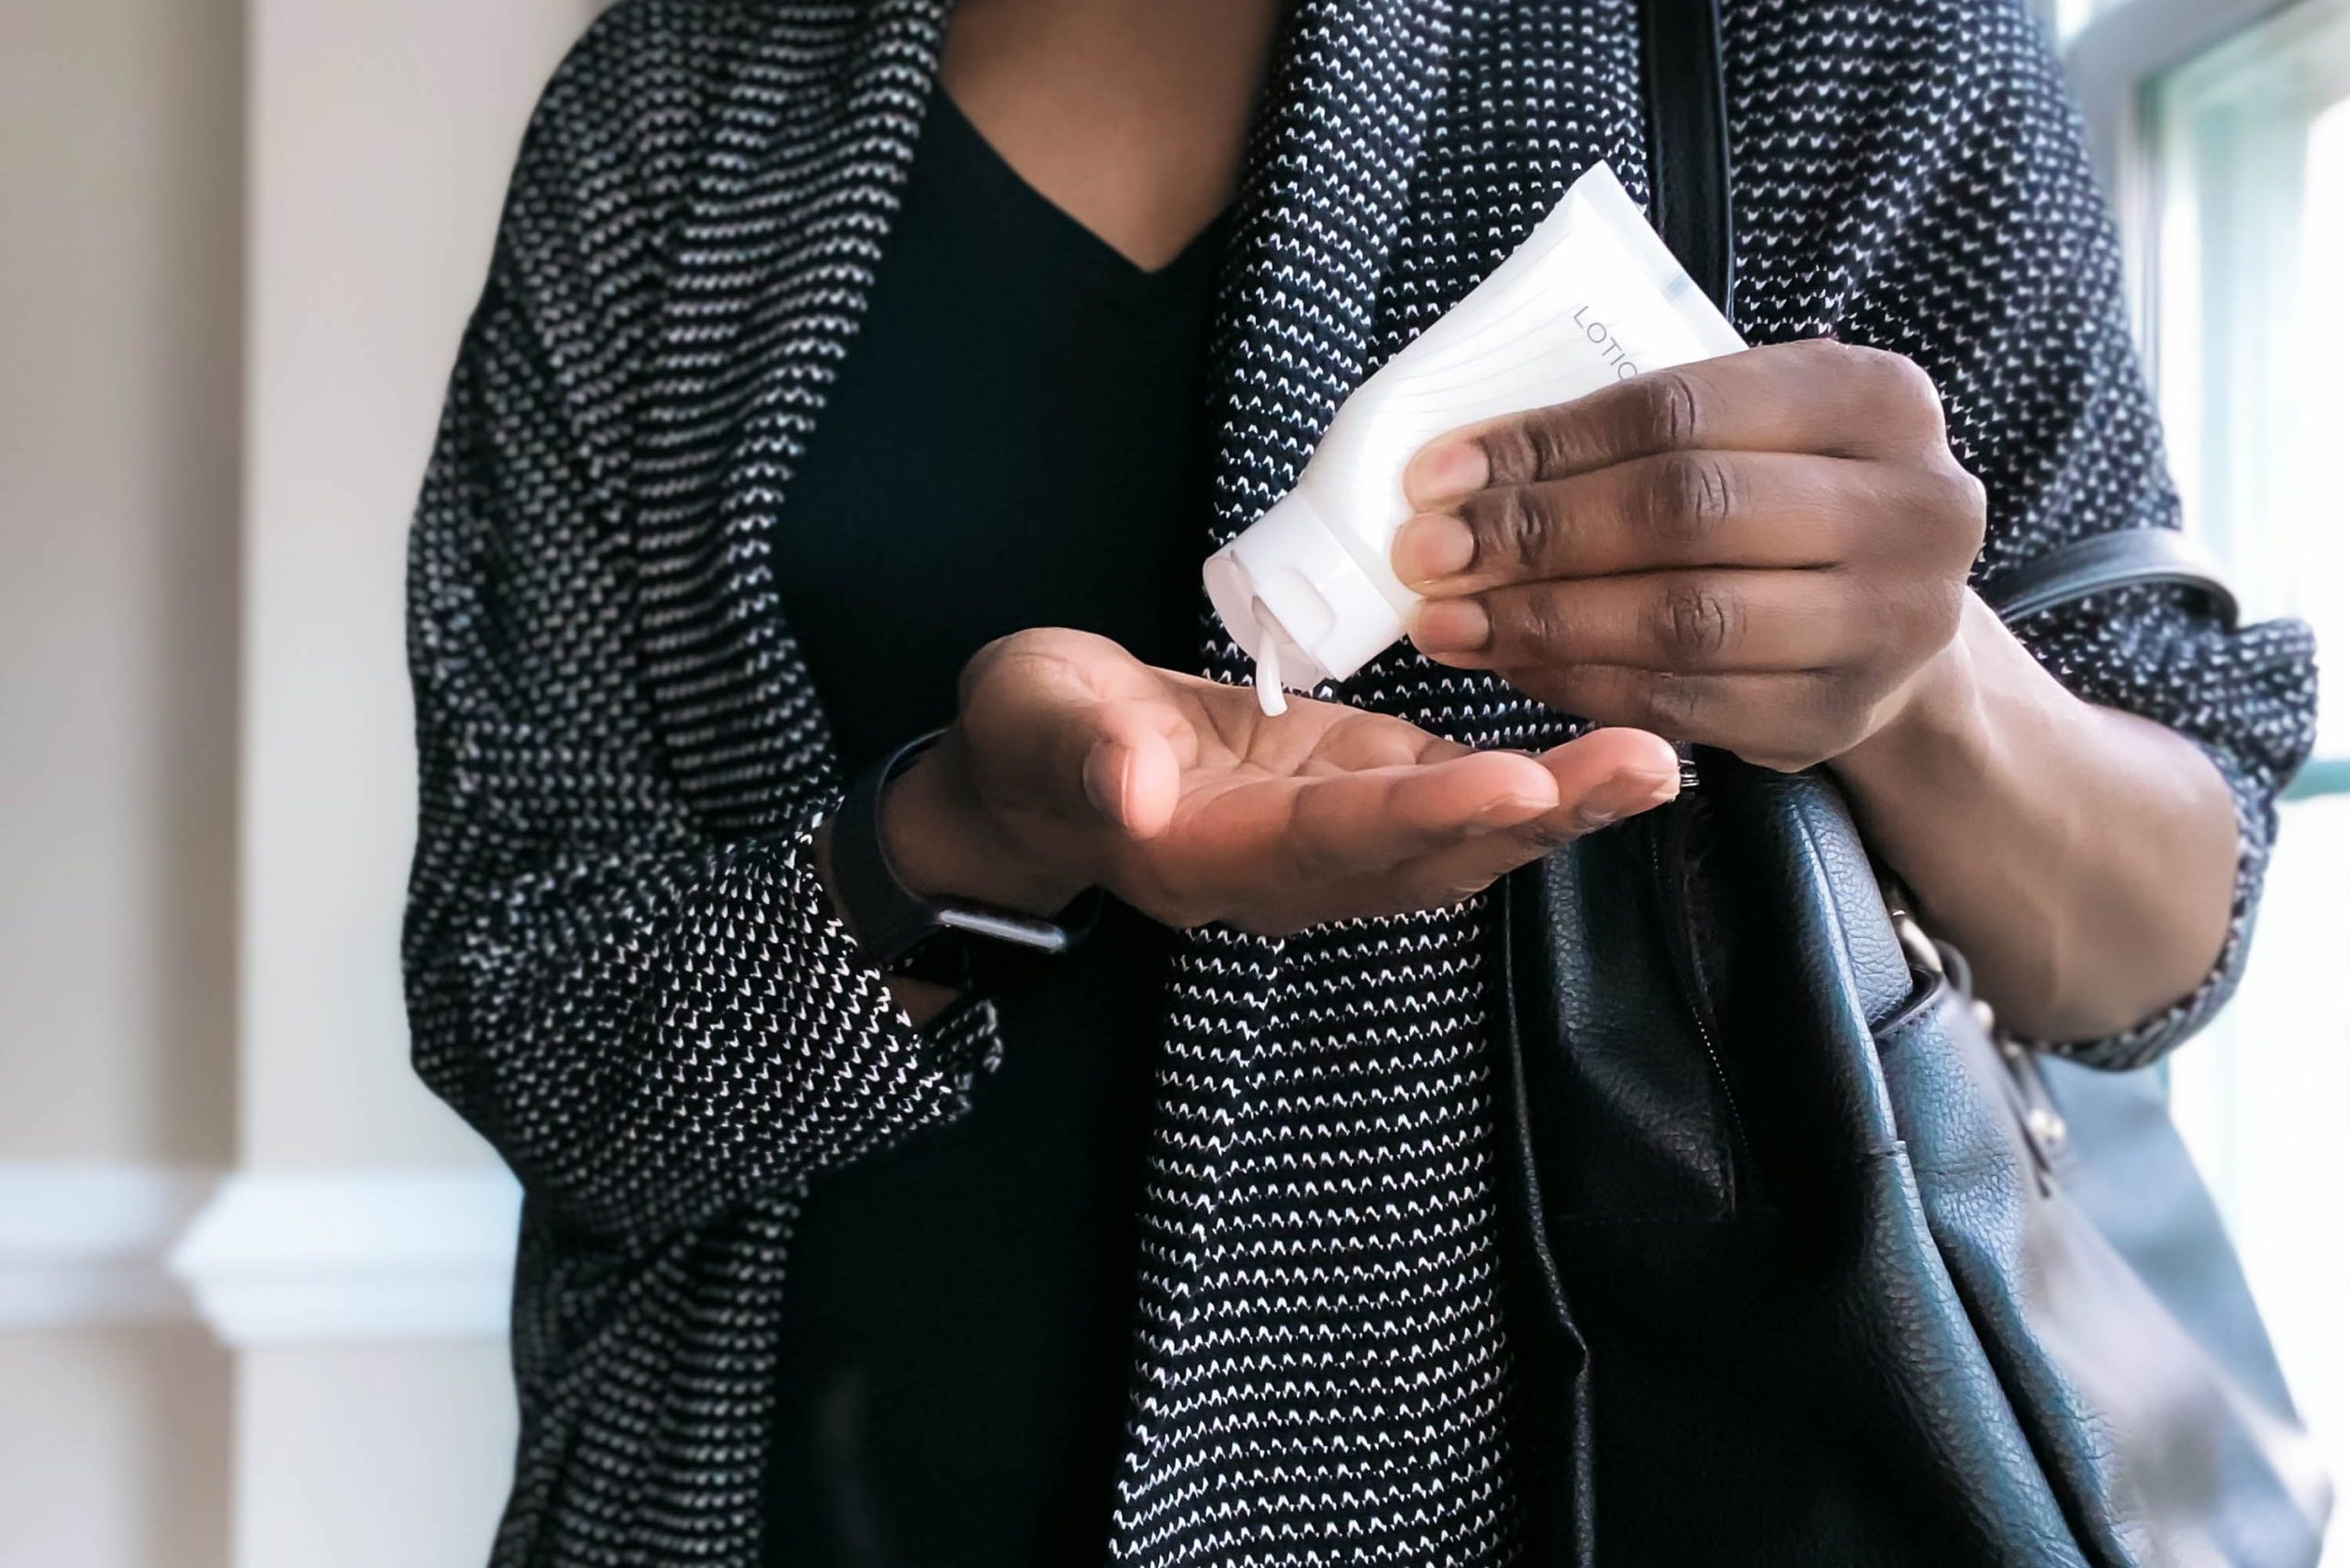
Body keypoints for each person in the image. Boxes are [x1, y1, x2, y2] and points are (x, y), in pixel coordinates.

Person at [401, 0, 2317, 1563]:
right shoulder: (674, 111)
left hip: (1623, 1493)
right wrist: (965, 842)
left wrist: (1921, 681)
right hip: (755, 1494)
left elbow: (2159, 934)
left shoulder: (1818, 36)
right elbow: (520, 997)